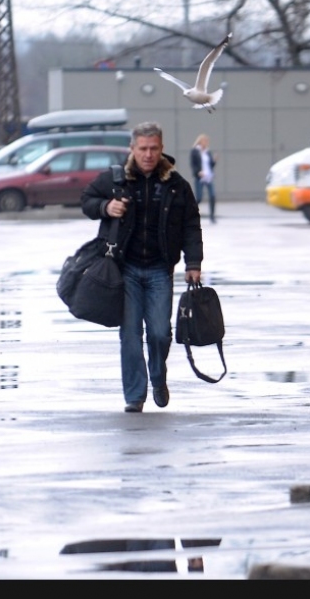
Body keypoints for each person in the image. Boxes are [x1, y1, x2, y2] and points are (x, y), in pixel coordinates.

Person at [80, 121, 203, 413]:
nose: (148, 154)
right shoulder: (114, 179)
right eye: (143, 149)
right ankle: (135, 395)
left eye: (154, 149)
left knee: (160, 333)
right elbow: (86, 200)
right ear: (132, 149)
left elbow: (191, 224)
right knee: (131, 334)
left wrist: (193, 262)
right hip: (126, 270)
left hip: (161, 269)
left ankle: (158, 378)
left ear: (161, 149)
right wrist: (105, 207)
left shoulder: (176, 185)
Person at [189, 133, 217, 223]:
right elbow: (193, 164)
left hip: (208, 176)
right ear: (200, 141)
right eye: (204, 141)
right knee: (199, 198)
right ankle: (191, 214)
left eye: (207, 141)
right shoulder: (195, 151)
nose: (206, 143)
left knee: (212, 195)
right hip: (200, 177)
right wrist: (198, 172)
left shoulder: (207, 152)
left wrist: (214, 161)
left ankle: (212, 217)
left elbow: (210, 165)